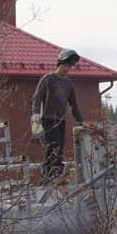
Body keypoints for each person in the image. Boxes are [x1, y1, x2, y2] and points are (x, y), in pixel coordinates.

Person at [32, 48, 85, 180]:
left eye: (69, 67)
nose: (67, 69)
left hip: (61, 120)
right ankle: (50, 174)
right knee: (54, 145)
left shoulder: (68, 83)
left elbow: (74, 105)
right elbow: (37, 98)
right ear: (59, 64)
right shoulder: (48, 79)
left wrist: (82, 121)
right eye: (65, 66)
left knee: (59, 148)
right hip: (48, 118)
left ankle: (53, 174)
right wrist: (35, 117)